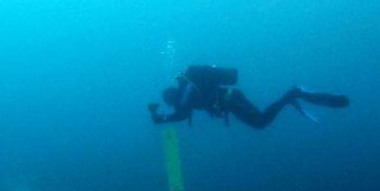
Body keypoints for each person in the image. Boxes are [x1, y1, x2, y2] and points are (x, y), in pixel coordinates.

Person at [148, 65, 350, 128]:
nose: (172, 104)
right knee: (260, 122)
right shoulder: (188, 91)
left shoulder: (186, 94)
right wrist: (163, 118)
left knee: (260, 123)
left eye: (170, 101)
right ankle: (290, 95)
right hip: (231, 98)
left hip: (230, 100)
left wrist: (162, 118)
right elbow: (183, 112)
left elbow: (182, 114)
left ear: (172, 96)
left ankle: (292, 94)